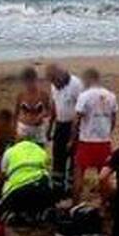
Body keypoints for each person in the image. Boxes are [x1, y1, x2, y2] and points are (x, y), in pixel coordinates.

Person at [72, 68, 117, 204]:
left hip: (87, 140)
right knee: (104, 175)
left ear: (89, 79)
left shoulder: (84, 95)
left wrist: (73, 137)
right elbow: (114, 118)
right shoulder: (111, 95)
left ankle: (75, 204)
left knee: (79, 173)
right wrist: (108, 132)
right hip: (104, 140)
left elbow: (77, 119)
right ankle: (104, 204)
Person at [0, 136, 56, 226]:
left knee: (2, 209)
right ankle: (41, 211)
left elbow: (2, 175)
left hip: (19, 190)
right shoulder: (41, 151)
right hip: (42, 187)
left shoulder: (10, 151)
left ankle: (14, 213)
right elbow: (48, 169)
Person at [47, 63, 83, 196]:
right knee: (58, 156)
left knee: (73, 157)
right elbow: (54, 106)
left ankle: (70, 188)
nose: (54, 85)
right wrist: (50, 127)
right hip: (60, 124)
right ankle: (58, 188)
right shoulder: (54, 86)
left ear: (60, 76)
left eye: (55, 81)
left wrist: (73, 137)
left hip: (73, 125)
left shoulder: (76, 84)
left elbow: (79, 111)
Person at [13, 67, 52, 145]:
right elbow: (16, 113)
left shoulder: (43, 95)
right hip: (24, 128)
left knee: (39, 152)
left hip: (38, 129)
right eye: (26, 82)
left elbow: (49, 111)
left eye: (31, 82)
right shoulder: (21, 95)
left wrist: (41, 116)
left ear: (35, 80)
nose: (29, 85)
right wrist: (14, 129)